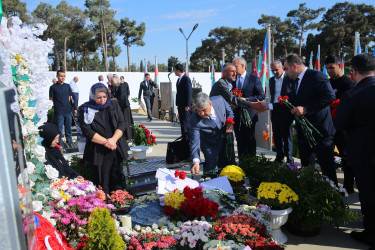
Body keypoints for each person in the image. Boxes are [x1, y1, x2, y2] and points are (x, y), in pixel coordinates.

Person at [253, 54, 338, 184]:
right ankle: (308, 192)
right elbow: (290, 100)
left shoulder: (316, 76)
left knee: (326, 167)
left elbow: (329, 96)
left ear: (294, 66)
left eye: (286, 69)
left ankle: (333, 194)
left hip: (320, 130)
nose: (285, 72)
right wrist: (267, 106)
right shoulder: (294, 80)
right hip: (303, 130)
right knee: (306, 167)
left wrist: (306, 109)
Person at [334, 53, 375, 247]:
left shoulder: (352, 95)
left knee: (367, 193)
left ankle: (371, 233)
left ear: (354, 72)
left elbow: (340, 124)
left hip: (363, 153)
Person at [78, 83, 130, 195]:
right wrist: (106, 142)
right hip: (99, 150)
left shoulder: (113, 105)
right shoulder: (85, 109)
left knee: (117, 180)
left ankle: (118, 202)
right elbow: (87, 130)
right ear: (93, 97)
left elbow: (122, 123)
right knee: (103, 182)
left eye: (104, 97)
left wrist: (113, 140)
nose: (102, 100)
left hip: (116, 147)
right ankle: (105, 205)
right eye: (99, 97)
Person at [210, 63, 256, 165]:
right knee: (224, 147)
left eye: (235, 71)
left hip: (225, 120)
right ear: (225, 72)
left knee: (227, 146)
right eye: (232, 71)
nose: (235, 74)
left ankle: (228, 166)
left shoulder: (228, 84)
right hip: (218, 122)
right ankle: (225, 169)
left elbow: (228, 102)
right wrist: (252, 104)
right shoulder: (221, 84)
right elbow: (232, 99)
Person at [325, 54, 356, 193]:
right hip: (329, 126)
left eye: (331, 67)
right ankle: (331, 184)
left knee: (346, 157)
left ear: (340, 65)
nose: (329, 71)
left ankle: (348, 186)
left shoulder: (348, 83)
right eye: (327, 68)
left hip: (343, 128)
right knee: (327, 155)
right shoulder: (328, 82)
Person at [190, 92, 234, 176]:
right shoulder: (194, 119)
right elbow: (194, 141)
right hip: (208, 142)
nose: (202, 114)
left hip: (225, 137)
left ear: (210, 104)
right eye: (198, 111)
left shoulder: (219, 100)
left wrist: (230, 122)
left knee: (228, 164)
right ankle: (209, 179)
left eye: (204, 110)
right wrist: (196, 161)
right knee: (211, 165)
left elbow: (229, 112)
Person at [232, 57, 265, 158]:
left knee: (249, 139)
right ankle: (242, 161)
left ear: (242, 66)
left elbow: (261, 96)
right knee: (239, 140)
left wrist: (246, 99)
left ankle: (251, 161)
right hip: (236, 115)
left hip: (249, 115)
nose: (234, 69)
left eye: (235, 66)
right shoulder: (232, 80)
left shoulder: (253, 78)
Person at [269, 60, 294, 163]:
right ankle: (279, 156)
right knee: (277, 135)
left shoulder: (289, 79)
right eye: (272, 70)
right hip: (274, 110)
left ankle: (289, 159)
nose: (275, 72)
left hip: (286, 111)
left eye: (276, 70)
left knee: (287, 135)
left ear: (282, 68)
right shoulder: (271, 80)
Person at [49, 70, 73, 146]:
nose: (63, 77)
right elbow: (51, 98)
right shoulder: (53, 87)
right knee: (59, 130)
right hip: (59, 111)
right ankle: (60, 146)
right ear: (57, 76)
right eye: (61, 76)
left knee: (68, 129)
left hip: (68, 111)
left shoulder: (67, 86)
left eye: (64, 76)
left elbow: (69, 96)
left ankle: (70, 144)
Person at [174, 63, 192, 141]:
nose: (174, 72)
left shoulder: (186, 78)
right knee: (182, 122)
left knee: (186, 122)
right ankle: (184, 137)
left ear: (178, 70)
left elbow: (189, 92)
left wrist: (187, 105)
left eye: (175, 70)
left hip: (185, 105)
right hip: (180, 105)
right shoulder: (179, 79)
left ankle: (187, 138)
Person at [113, 75, 134, 140]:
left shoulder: (122, 85)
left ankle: (128, 136)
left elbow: (122, 95)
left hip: (124, 105)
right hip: (125, 104)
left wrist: (116, 99)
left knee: (126, 120)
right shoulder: (120, 86)